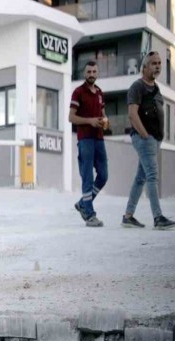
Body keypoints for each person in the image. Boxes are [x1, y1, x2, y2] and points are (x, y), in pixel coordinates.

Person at [122, 51, 175, 230]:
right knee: (152, 176)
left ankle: (128, 216)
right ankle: (158, 217)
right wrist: (145, 135)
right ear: (144, 67)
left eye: (160, 63)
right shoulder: (137, 87)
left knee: (141, 178)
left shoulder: (156, 88)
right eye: (153, 63)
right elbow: (132, 113)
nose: (158, 66)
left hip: (155, 140)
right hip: (144, 138)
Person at [69, 60, 108, 227]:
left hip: (99, 138)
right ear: (84, 74)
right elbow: (71, 117)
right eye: (89, 72)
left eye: (94, 71)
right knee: (87, 176)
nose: (91, 74)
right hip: (85, 138)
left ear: (97, 73)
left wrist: (106, 121)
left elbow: (103, 114)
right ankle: (89, 214)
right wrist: (89, 121)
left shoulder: (100, 92)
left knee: (103, 175)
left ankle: (83, 203)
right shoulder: (78, 92)